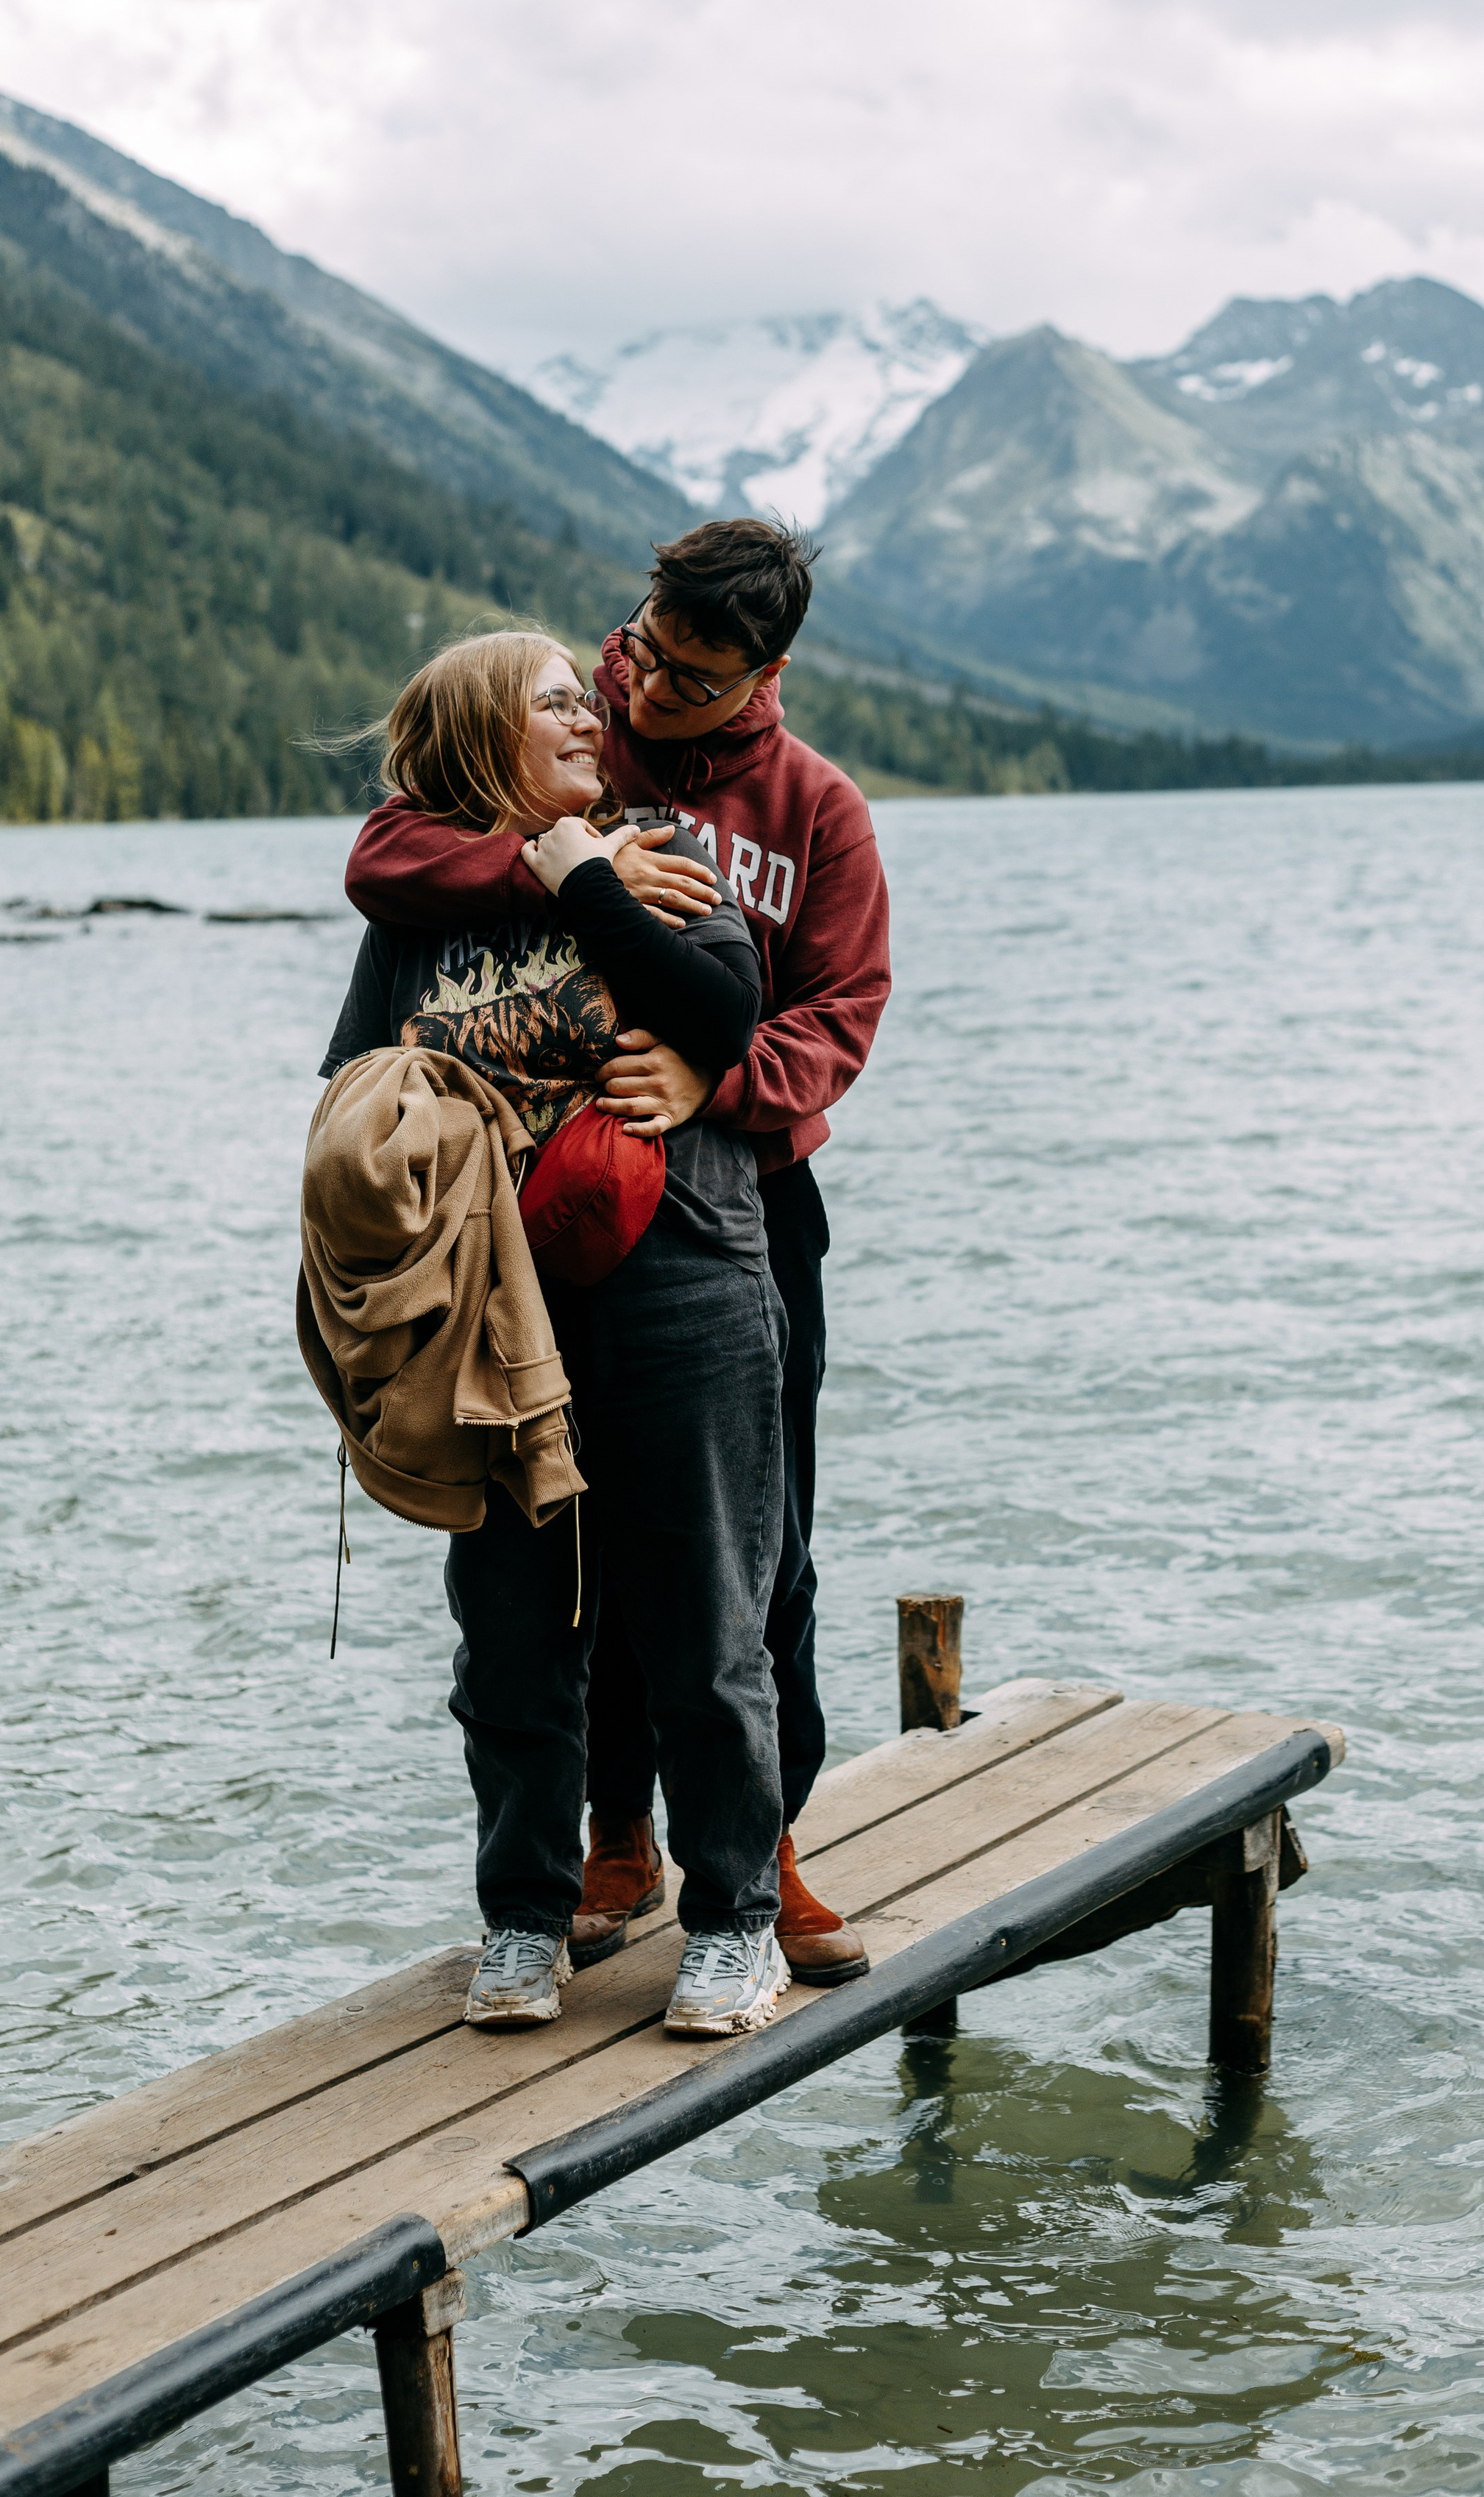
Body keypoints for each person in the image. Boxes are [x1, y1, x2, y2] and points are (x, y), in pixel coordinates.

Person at [344, 520, 892, 1980]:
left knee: (747, 1552)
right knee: (550, 1556)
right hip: (530, 1213)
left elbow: (834, 1016)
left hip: (736, 1204)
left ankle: (759, 1858)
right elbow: (392, 849)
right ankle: (612, 1839)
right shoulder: (558, 721)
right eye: (641, 649)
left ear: (761, 673)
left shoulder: (813, 810)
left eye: (689, 678)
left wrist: (714, 1086)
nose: (643, 692)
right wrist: (559, 869)